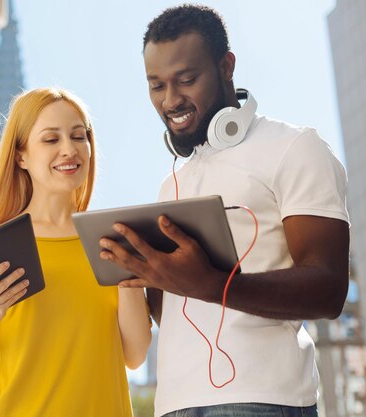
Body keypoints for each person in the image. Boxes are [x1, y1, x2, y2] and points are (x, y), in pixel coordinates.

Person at [99, 5, 349, 417]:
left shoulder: (295, 147)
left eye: (187, 80)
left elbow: (328, 289)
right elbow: (172, 310)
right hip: (173, 405)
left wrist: (214, 284)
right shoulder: (170, 184)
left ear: (226, 66)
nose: (170, 100)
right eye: (156, 85)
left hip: (263, 400)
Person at [0, 87, 152, 416]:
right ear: (21, 155)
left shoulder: (114, 239)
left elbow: (136, 354)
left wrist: (125, 270)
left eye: (78, 136)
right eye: (50, 139)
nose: (69, 150)